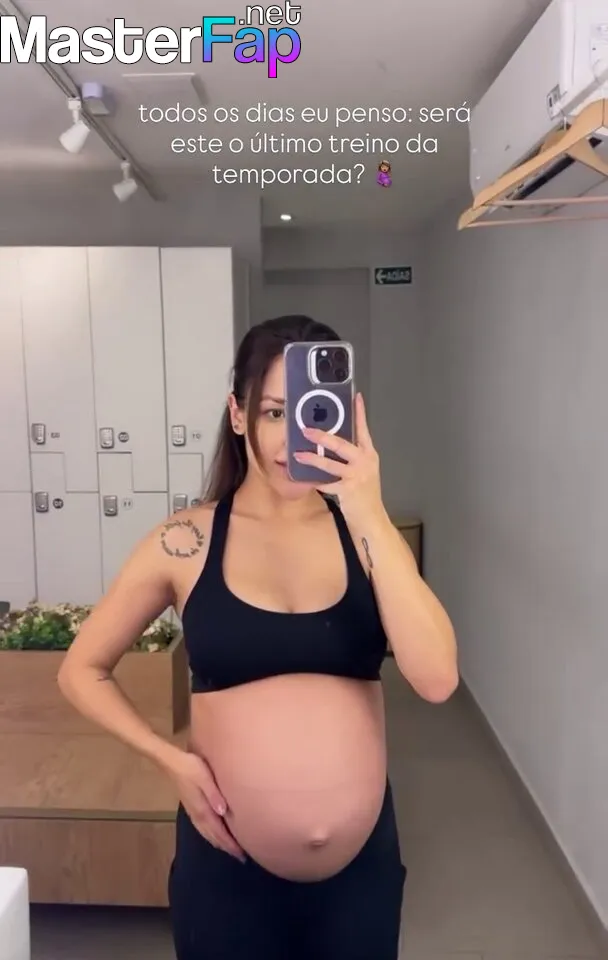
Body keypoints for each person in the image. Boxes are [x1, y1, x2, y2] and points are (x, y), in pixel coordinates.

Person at [58, 315, 458, 959]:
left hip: (361, 878)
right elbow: (82, 669)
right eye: (274, 412)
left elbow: (437, 679)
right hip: (227, 877)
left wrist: (368, 510)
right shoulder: (185, 541)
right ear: (237, 414)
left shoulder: (367, 536)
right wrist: (171, 760)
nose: (295, 434)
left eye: (313, 412)